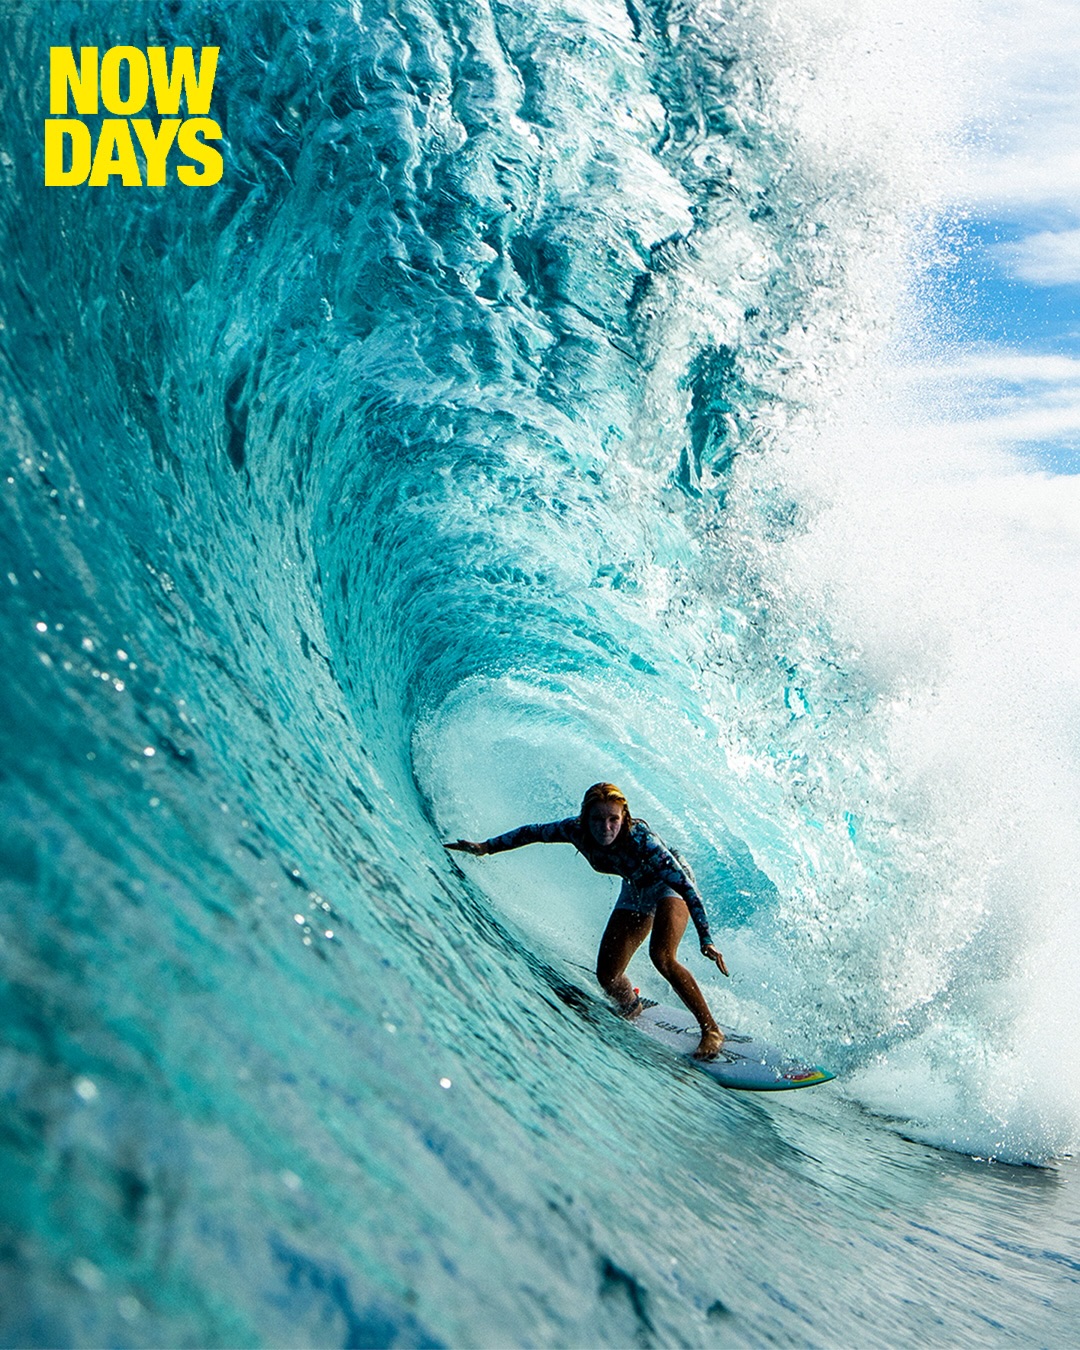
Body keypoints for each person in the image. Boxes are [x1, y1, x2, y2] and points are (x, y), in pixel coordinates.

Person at [445, 782, 729, 1059]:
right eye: (597, 819)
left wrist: (707, 939)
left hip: (671, 884)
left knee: (662, 956)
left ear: (624, 818)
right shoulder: (575, 830)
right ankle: (631, 1006)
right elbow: (532, 833)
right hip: (635, 885)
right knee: (608, 975)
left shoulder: (642, 841)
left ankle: (712, 1030)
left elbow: (687, 888)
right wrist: (485, 847)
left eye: (613, 819)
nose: (605, 827)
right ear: (585, 818)